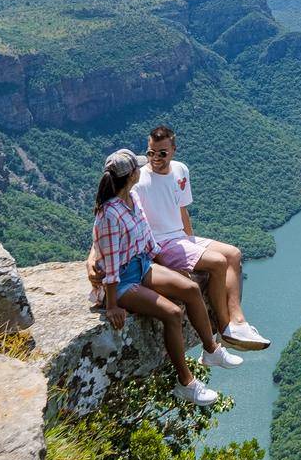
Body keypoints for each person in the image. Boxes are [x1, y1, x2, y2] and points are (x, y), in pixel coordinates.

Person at [88, 125, 270, 352]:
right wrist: (93, 256)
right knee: (218, 263)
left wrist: (192, 247)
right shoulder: (139, 182)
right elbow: (109, 228)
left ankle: (238, 320)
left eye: (162, 153)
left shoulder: (181, 170)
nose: (155, 158)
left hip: (181, 239)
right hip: (162, 244)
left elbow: (182, 211)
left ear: (173, 150)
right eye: (150, 153)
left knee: (233, 253)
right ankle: (225, 329)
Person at [92, 147, 243, 406]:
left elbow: (147, 240)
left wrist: (169, 267)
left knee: (191, 289)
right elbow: (112, 261)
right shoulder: (109, 214)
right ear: (130, 176)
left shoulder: (132, 199)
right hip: (123, 282)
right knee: (172, 313)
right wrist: (112, 304)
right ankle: (186, 383)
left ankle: (212, 351)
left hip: (143, 266)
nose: (142, 170)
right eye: (138, 168)